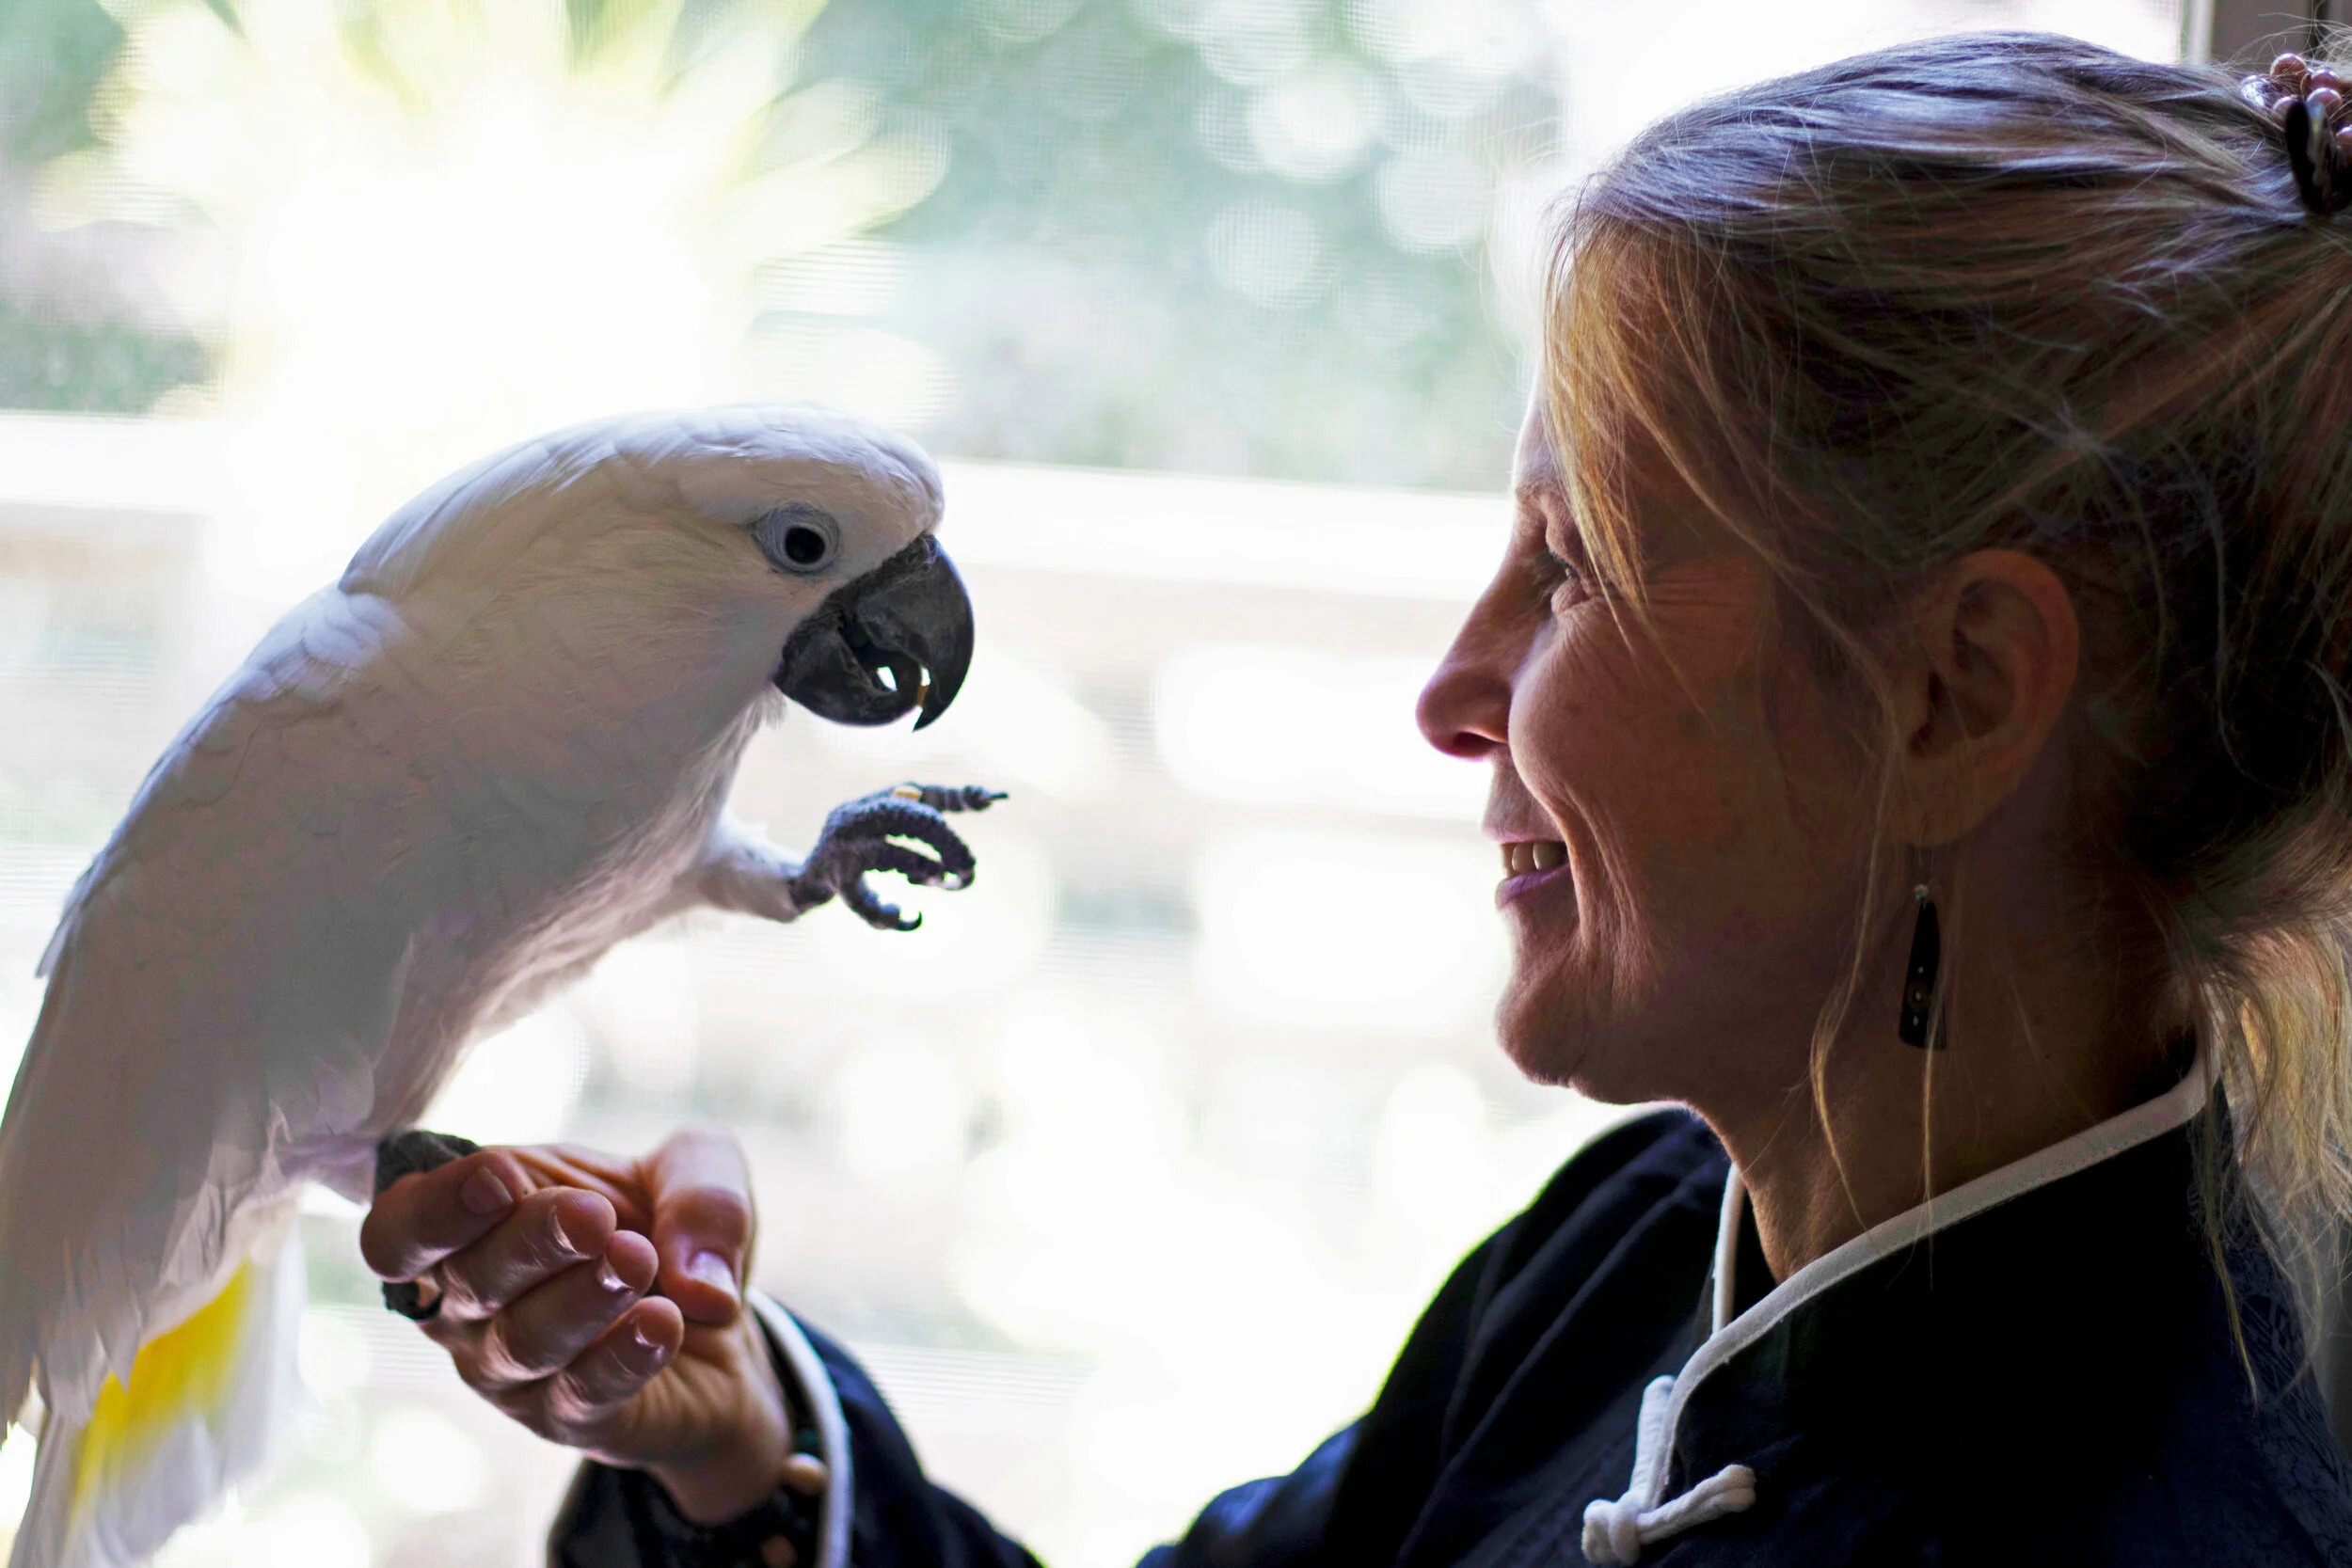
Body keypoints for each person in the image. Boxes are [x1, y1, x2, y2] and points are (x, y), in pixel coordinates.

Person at [361, 32, 2352, 1566]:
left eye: (1569, 571)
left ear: (1952, 693)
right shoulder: (1644, 1243)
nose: (1450, 689)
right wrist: (743, 1448)